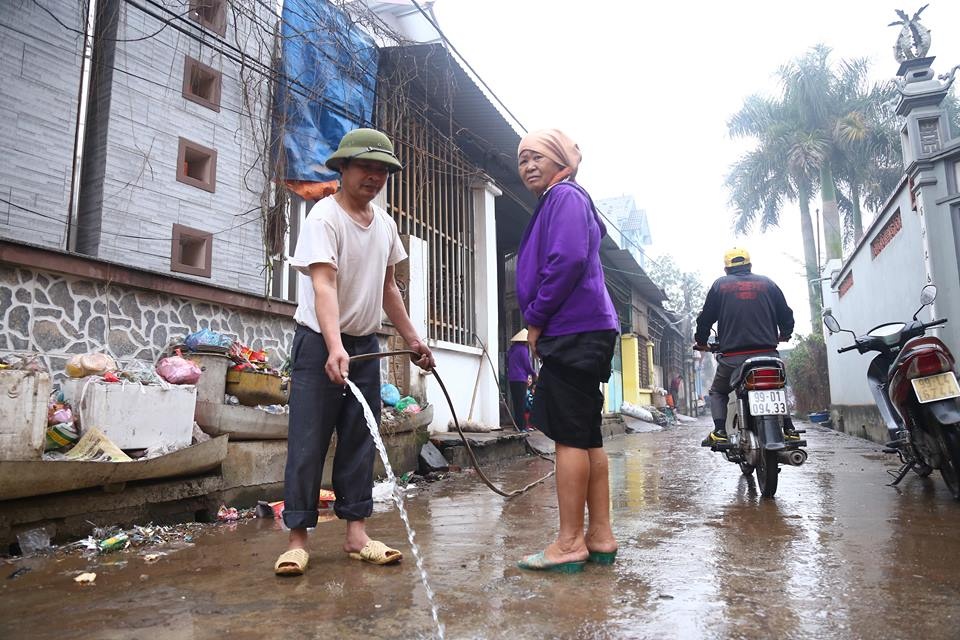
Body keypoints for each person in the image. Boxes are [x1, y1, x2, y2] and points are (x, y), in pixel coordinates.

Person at [274, 128, 435, 576]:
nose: (375, 176)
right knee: (307, 442)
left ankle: (356, 533)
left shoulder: (385, 225)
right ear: (342, 168)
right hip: (318, 344)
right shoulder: (324, 218)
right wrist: (332, 345)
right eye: (366, 166)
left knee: (361, 442)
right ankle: (298, 539)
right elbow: (322, 283)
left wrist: (415, 339)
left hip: (365, 346)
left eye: (382, 169)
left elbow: (388, 289)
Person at [514, 129, 620, 573]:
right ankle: (599, 537)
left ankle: (569, 542)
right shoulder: (562, 199)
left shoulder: (565, 197)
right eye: (522, 160)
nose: (528, 166)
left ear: (560, 159)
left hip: (574, 329)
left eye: (538, 156)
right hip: (586, 328)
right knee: (586, 434)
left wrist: (535, 319)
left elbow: (568, 259)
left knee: (569, 437)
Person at [693, 247, 795, 447]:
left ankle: (720, 431)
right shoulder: (768, 283)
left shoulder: (719, 286)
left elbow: (705, 319)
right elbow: (786, 314)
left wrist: (702, 342)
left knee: (718, 392)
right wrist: (785, 334)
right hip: (768, 357)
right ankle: (789, 429)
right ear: (749, 266)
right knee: (778, 387)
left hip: (733, 358)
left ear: (727, 269)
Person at [506, 328, 536, 431]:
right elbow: (527, 365)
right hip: (520, 379)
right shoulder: (523, 350)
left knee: (516, 403)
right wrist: (533, 373)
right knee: (522, 403)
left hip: (512, 379)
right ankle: (522, 427)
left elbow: (508, 363)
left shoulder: (511, 350)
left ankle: (517, 426)